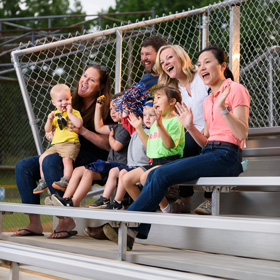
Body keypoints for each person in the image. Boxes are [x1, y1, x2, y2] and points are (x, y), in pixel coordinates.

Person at [103, 46, 251, 250]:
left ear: (223, 65)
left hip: (228, 155)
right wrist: (189, 126)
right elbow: (204, 141)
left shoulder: (236, 90)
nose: (202, 67)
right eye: (199, 64)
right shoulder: (209, 100)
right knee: (156, 174)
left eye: (207, 62)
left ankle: (128, 222)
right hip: (210, 152)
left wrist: (224, 109)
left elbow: (242, 133)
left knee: (160, 174)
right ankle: (132, 232)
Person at [13, 63, 111, 238]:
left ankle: (66, 218)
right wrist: (52, 134)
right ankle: (34, 223)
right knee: (23, 166)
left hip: (93, 157)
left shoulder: (104, 106)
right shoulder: (67, 100)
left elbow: (108, 145)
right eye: (84, 76)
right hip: (64, 150)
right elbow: (54, 129)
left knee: (52, 161)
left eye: (92, 79)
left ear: (101, 86)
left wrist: (82, 131)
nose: (84, 81)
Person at [155, 44, 212, 214]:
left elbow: (214, 100)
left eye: (169, 58)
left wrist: (207, 129)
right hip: (190, 131)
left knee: (206, 148)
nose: (166, 63)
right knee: (179, 147)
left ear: (181, 57)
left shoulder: (201, 76)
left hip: (212, 128)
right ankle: (184, 199)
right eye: (162, 62)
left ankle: (209, 200)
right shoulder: (173, 91)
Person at [50, 95, 131, 211]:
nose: (112, 111)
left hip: (119, 167)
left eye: (116, 108)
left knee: (88, 171)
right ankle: (67, 199)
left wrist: (111, 137)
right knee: (79, 170)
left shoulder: (125, 127)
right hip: (110, 166)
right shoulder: (115, 126)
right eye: (111, 108)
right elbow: (99, 127)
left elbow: (116, 146)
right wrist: (98, 107)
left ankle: (73, 202)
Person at [123, 86, 185, 214]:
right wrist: (139, 128)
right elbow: (149, 146)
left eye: (159, 97)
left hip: (170, 162)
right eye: (154, 98)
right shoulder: (157, 121)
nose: (155, 101)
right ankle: (145, 210)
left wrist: (160, 125)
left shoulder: (175, 121)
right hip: (155, 162)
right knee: (126, 179)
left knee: (146, 177)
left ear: (172, 102)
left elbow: (169, 145)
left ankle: (166, 209)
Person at [88, 99, 157, 210]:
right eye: (145, 115)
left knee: (123, 173)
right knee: (114, 171)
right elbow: (125, 120)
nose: (147, 118)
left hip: (142, 167)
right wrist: (125, 103)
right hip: (131, 166)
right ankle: (105, 198)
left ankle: (117, 202)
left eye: (151, 115)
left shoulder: (156, 132)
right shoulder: (136, 129)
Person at [33, 84, 83, 195]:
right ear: (54, 103)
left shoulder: (74, 112)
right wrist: (49, 120)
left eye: (67, 99)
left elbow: (79, 124)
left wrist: (69, 113)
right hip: (56, 145)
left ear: (71, 99)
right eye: (60, 100)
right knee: (42, 158)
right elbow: (47, 130)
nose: (64, 102)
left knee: (67, 160)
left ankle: (66, 179)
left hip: (70, 143)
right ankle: (44, 181)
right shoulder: (54, 114)